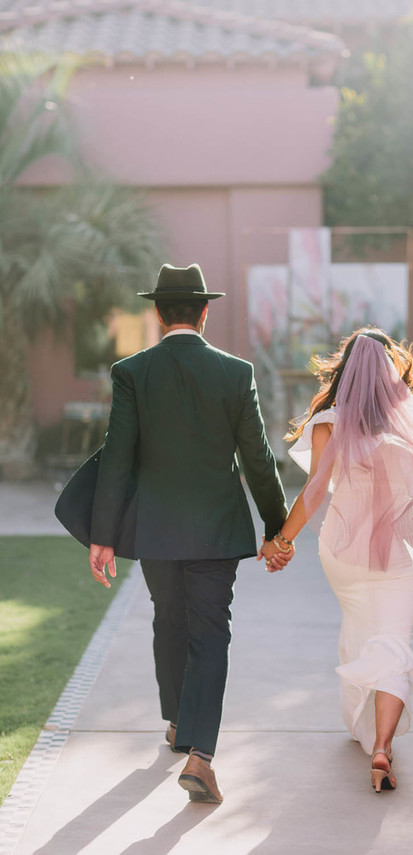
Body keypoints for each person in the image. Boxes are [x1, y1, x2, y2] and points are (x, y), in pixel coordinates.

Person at [259, 328, 413, 793]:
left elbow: (313, 493)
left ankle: (365, 727)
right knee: (393, 640)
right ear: (393, 372)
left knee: (358, 630)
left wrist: (281, 542)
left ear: (345, 370)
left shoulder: (330, 420)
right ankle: (382, 748)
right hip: (398, 553)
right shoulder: (409, 426)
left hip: (342, 552)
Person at [88, 263, 292, 804]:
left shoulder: (131, 372)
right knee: (210, 633)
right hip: (216, 530)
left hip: (155, 529)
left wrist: (102, 534)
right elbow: (258, 458)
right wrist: (279, 526)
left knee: (168, 620)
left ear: (158, 314)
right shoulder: (235, 372)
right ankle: (200, 755)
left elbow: (117, 460)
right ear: (205, 311)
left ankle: (179, 723)